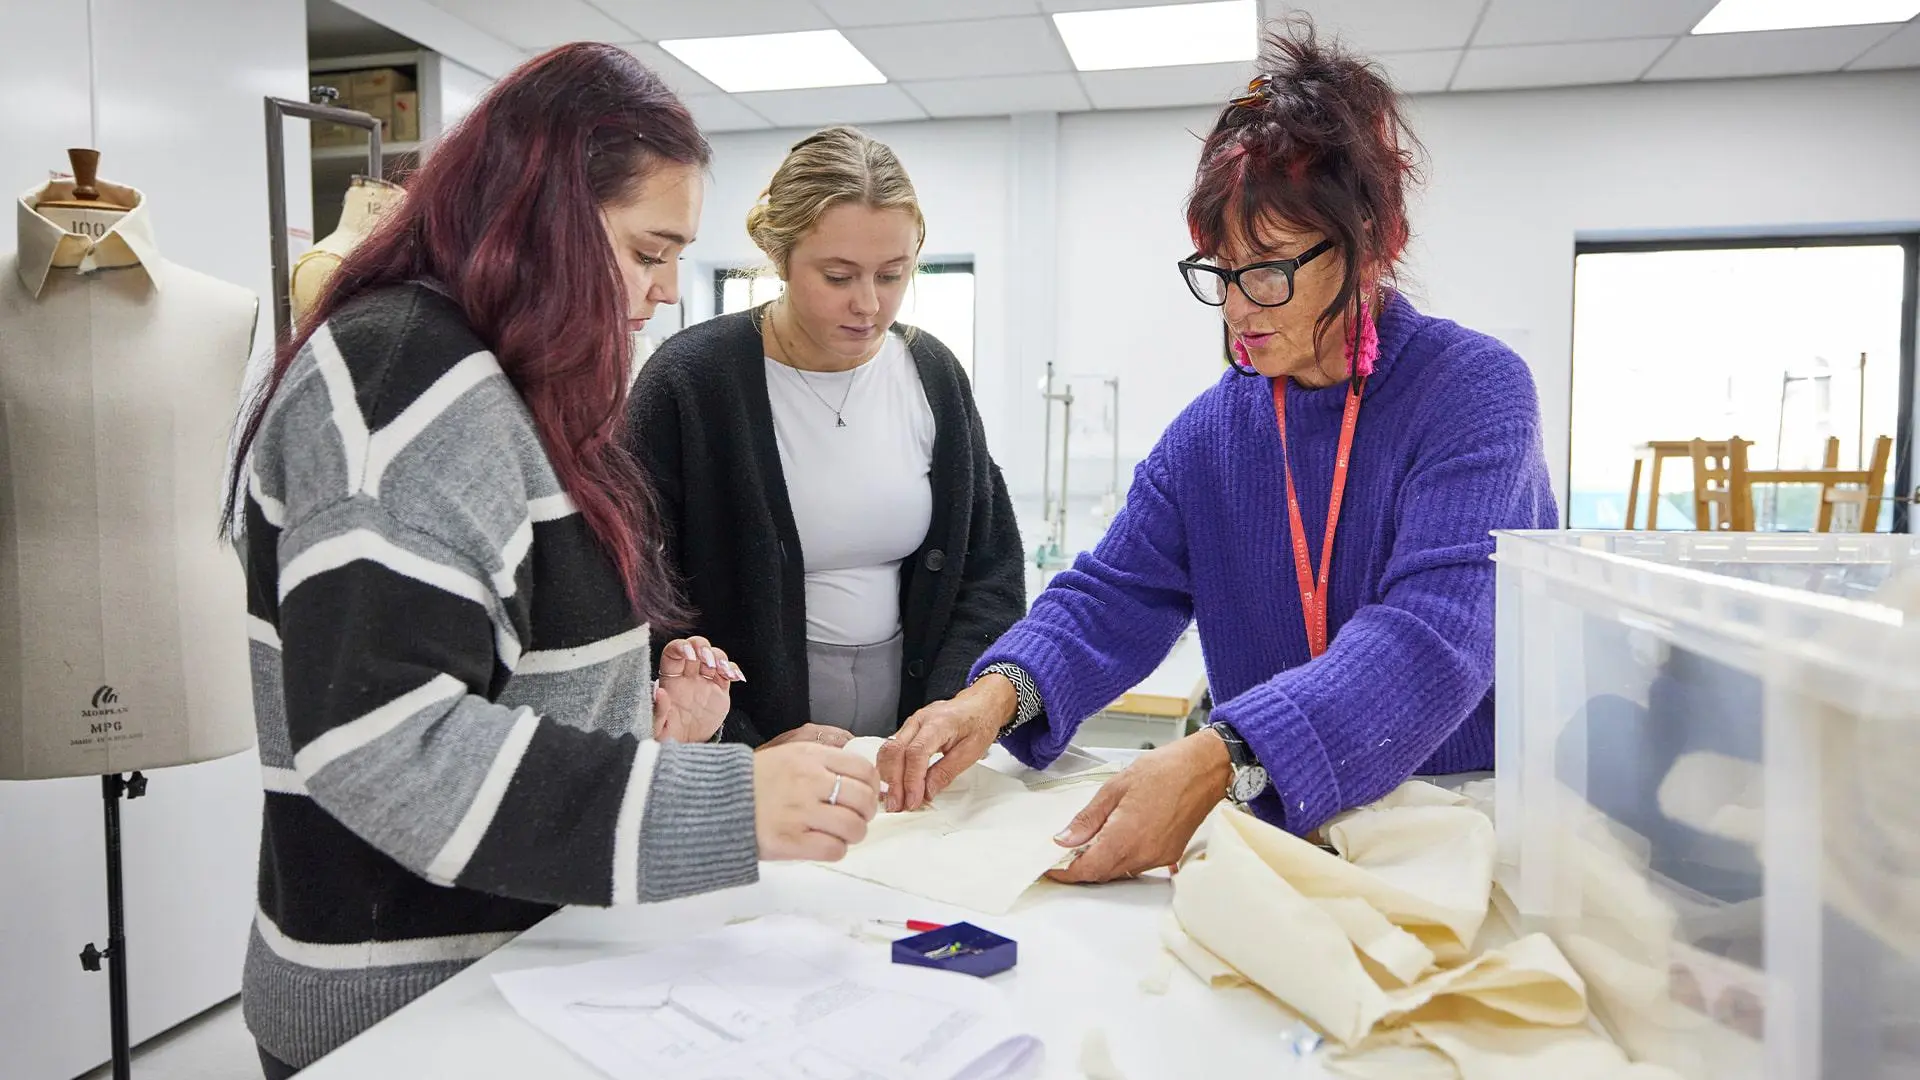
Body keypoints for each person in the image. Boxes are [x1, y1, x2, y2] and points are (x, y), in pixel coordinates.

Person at [224, 46, 878, 1077]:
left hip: (523, 975)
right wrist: (724, 802)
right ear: (542, 216)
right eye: (647, 251)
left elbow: (499, 675)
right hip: (404, 1015)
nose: (665, 291)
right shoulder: (406, 383)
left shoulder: (503, 378)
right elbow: (384, 744)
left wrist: (640, 722)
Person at [877, 19, 1557, 882]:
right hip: (1281, 822)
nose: (1237, 306)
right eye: (1221, 270)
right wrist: (992, 698)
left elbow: (1435, 636)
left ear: (1369, 245)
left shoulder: (1472, 393)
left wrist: (1221, 756)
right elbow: (1112, 594)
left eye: (1267, 268)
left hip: (1451, 820)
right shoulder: (1215, 432)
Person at [629, 126, 1025, 751]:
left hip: (913, 727)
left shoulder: (933, 373)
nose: (868, 304)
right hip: (742, 734)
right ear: (780, 257)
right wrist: (740, 746)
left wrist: (954, 707)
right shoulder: (690, 380)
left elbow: (989, 566)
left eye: (892, 274)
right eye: (838, 277)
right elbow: (635, 589)